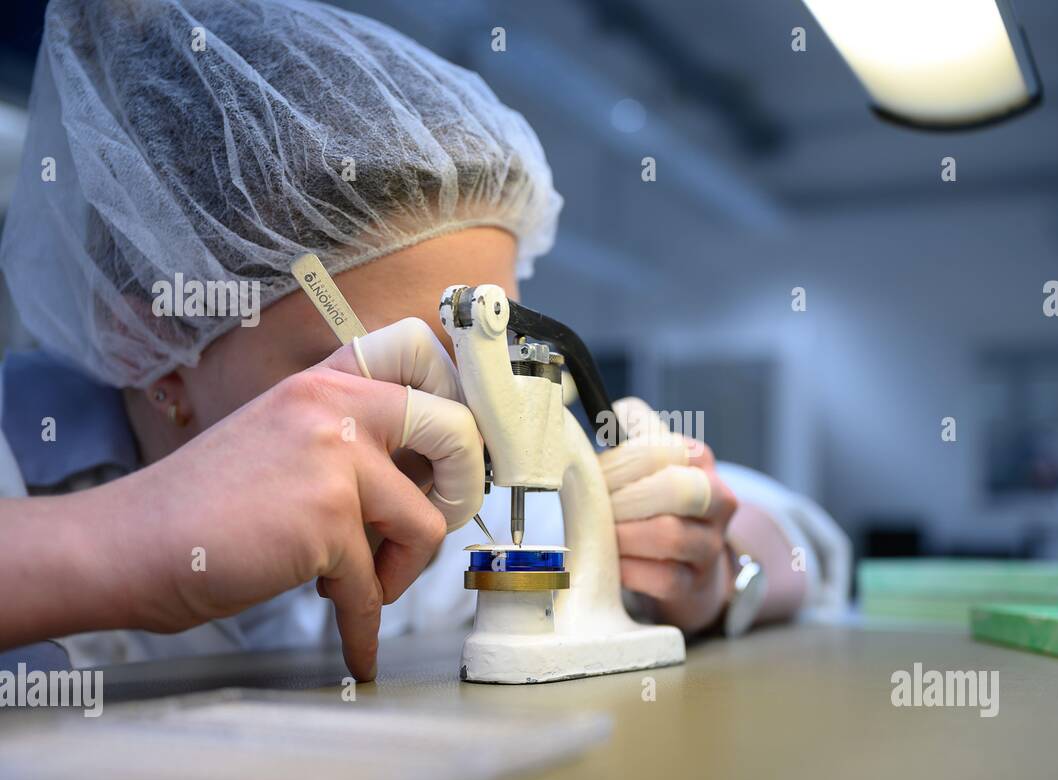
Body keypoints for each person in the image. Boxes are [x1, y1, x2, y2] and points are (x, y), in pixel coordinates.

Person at [0, 0, 849, 677]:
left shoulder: (456, 499)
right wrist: (118, 541)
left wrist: (707, 568)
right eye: (384, 375)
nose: (451, 438)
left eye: (479, 370)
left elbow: (801, 537)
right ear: (148, 329)